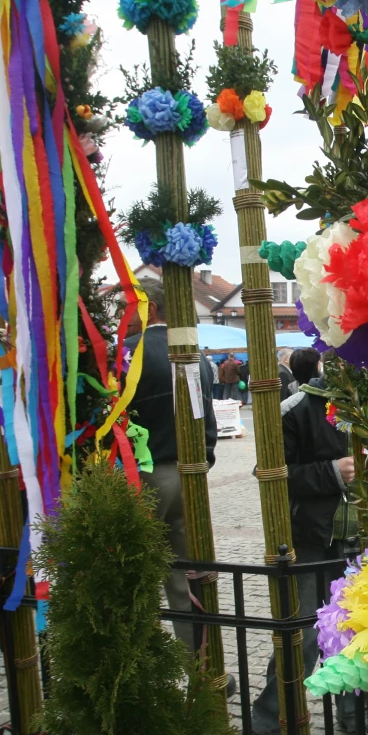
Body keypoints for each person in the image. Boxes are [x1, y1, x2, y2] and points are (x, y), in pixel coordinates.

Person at [251, 353, 356, 735]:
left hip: (359, 542)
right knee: (303, 633)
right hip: (310, 539)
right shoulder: (296, 408)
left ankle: (354, 711)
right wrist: (331, 472)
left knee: (354, 630)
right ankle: (273, 715)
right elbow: (271, 473)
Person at [122, 284, 223, 676]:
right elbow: (208, 418)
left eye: (127, 308)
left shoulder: (129, 351)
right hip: (189, 473)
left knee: (136, 577)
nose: (123, 317)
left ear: (148, 308)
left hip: (144, 473)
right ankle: (201, 667)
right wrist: (203, 459)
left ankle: (142, 673)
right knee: (185, 578)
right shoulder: (196, 355)